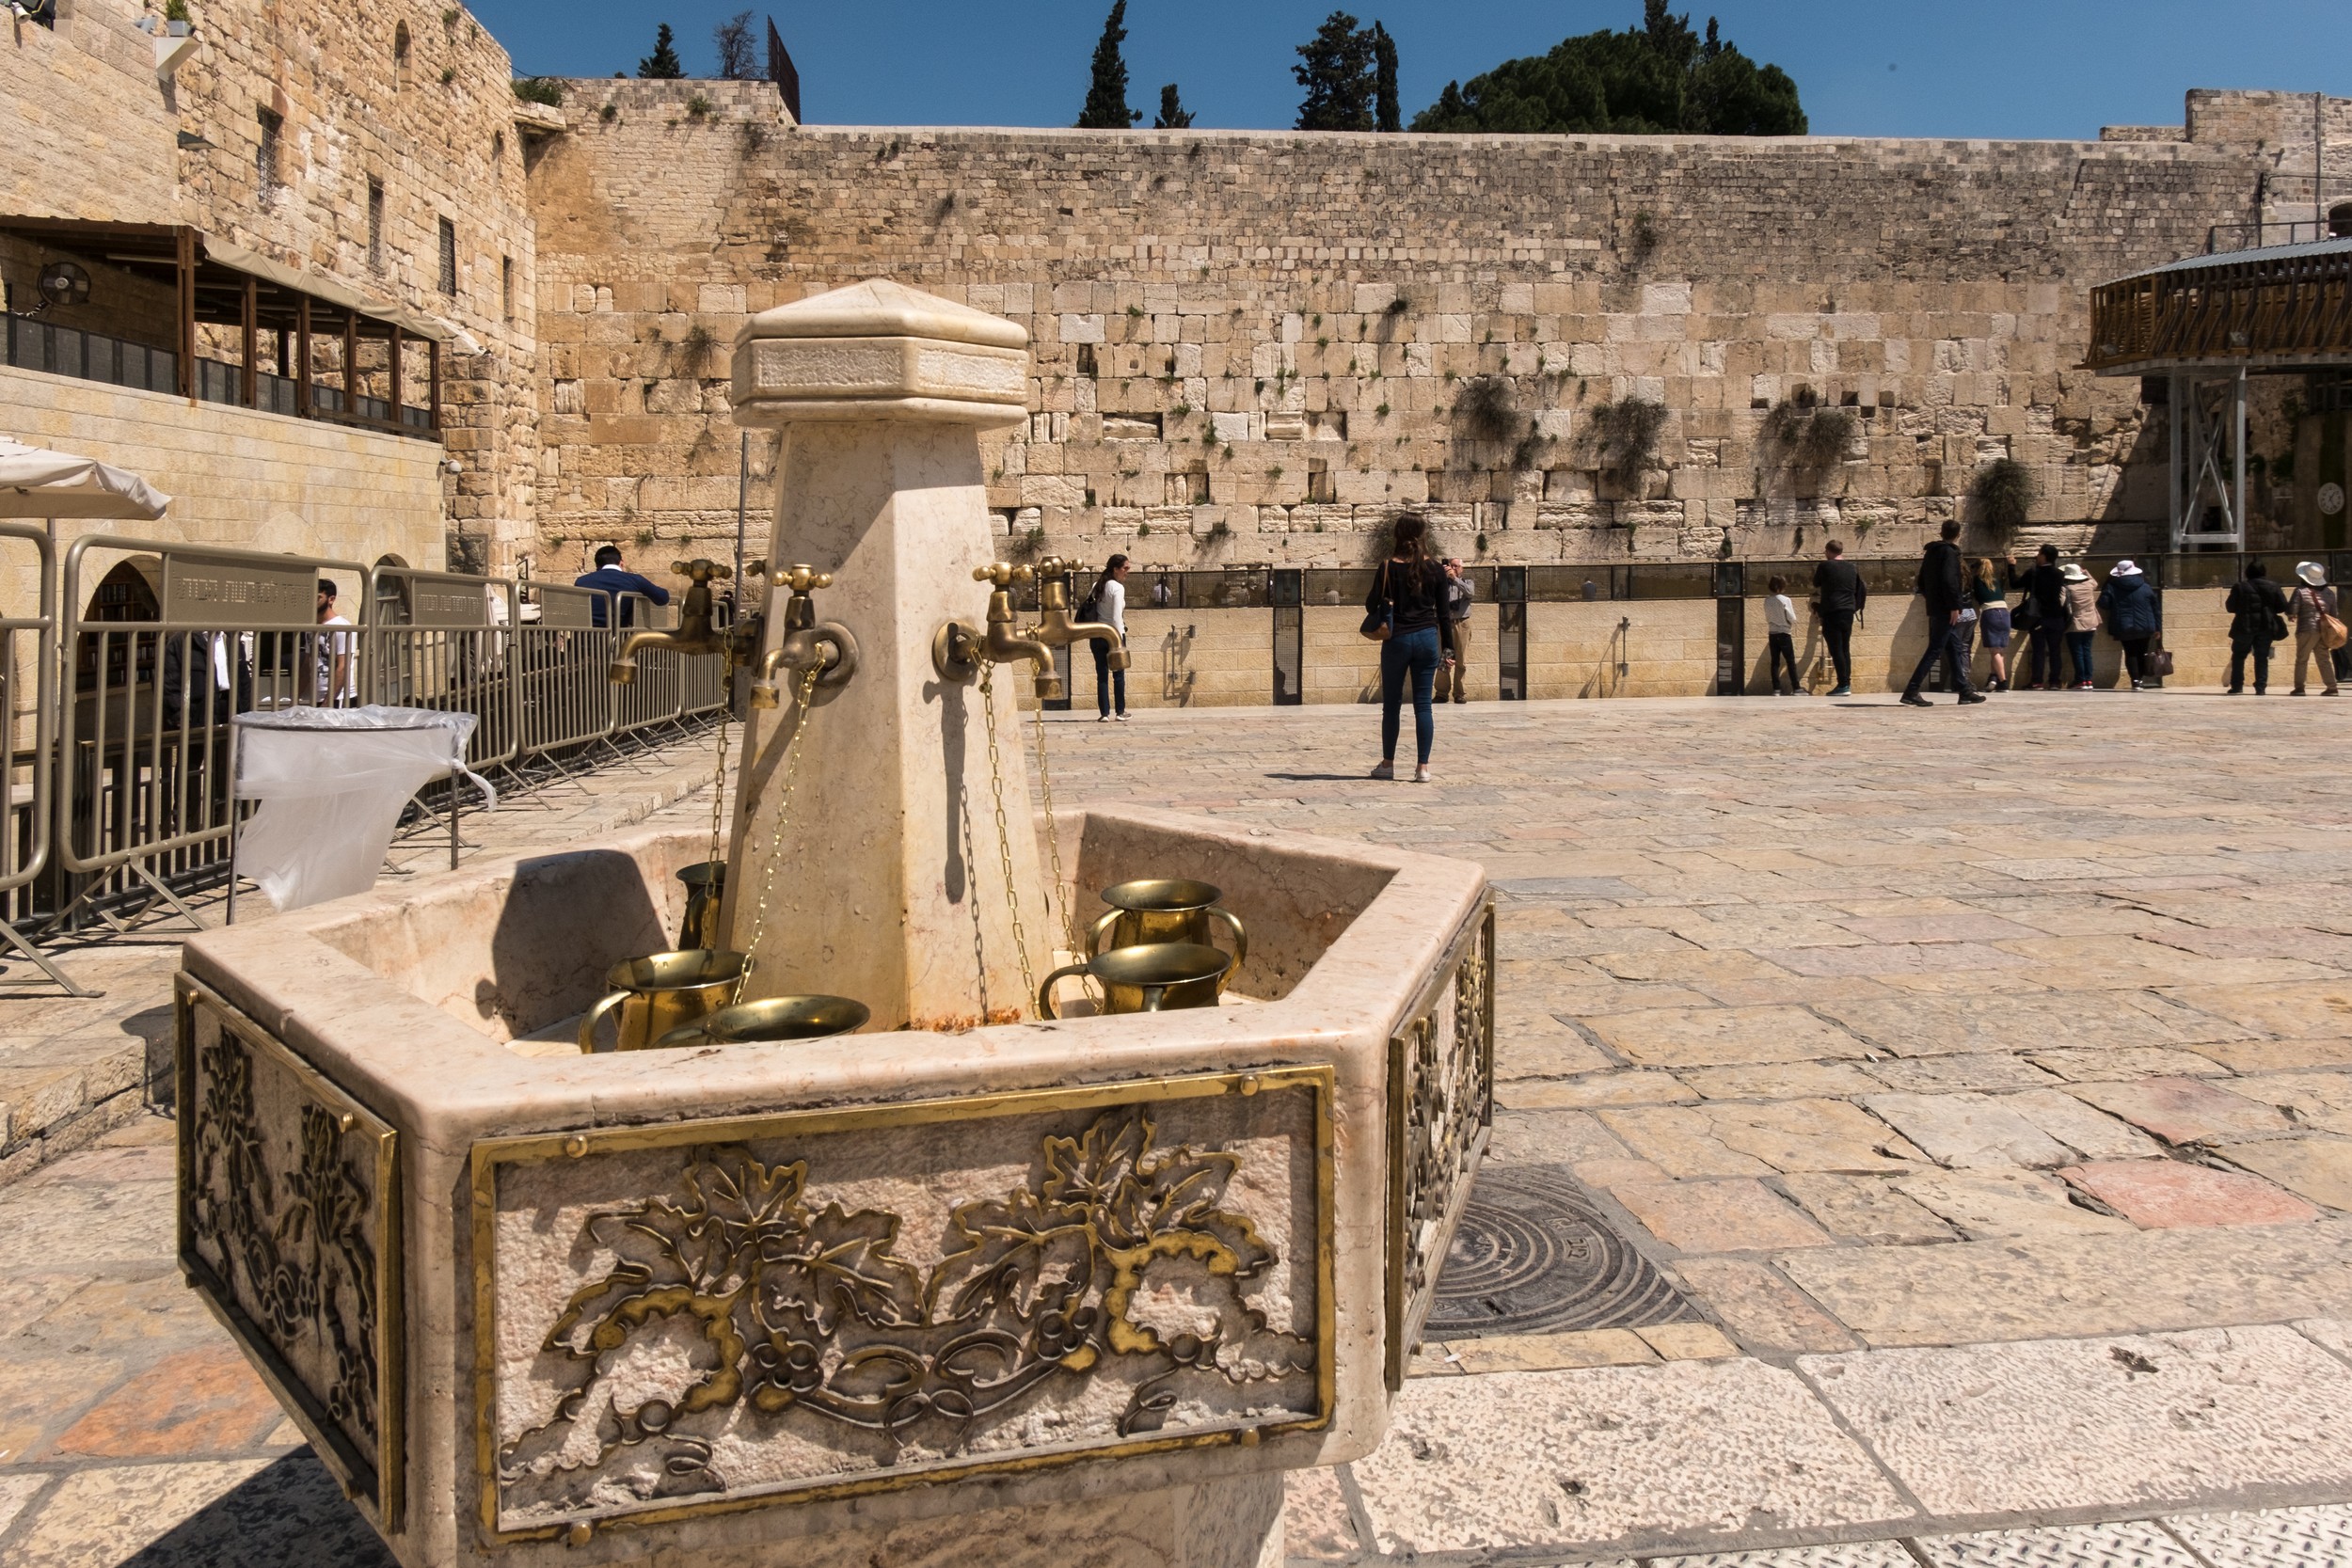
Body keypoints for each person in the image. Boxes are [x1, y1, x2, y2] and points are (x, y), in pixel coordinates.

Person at [1365, 513, 1448, 783]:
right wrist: (1449, 651)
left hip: (1397, 639)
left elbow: (1370, 604)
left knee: (1392, 705)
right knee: (1424, 706)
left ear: (1397, 535)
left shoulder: (1388, 566)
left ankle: (1388, 764)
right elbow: (1444, 614)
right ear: (1423, 534)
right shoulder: (1436, 568)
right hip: (1427, 638)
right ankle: (1422, 767)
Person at [1900, 519, 1984, 707]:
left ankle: (1964, 691)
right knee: (1936, 648)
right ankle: (1911, 690)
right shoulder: (1949, 553)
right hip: (1947, 608)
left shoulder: (1931, 552)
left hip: (1936, 606)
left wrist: (1933, 599)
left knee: (1953, 647)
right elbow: (1950, 581)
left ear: (1941, 532)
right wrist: (1954, 606)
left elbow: (1921, 581)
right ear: (1958, 534)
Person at [1810, 539, 1866, 697]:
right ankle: (1846, 682)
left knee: (1836, 649)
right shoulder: (1852, 567)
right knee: (1845, 648)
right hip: (1848, 611)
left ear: (1828, 551)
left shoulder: (1825, 565)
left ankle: (1843, 685)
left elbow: (1816, 583)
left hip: (1832, 611)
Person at [2009, 545, 2068, 689]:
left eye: (2039, 553)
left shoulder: (2034, 572)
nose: (2037, 555)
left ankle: (2037, 681)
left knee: (2038, 651)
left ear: (2044, 556)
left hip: (2039, 617)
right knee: (2055, 651)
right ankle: (2055, 681)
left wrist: (2011, 566)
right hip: (2057, 617)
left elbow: (2014, 584)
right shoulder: (2059, 574)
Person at [2226, 560, 2288, 695]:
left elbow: (2230, 607)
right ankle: (2260, 687)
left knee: (2238, 656)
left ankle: (2237, 686)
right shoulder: (2273, 586)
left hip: (2244, 626)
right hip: (2266, 626)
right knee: (2261, 657)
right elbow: (2282, 606)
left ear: (2247, 573)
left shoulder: (2240, 586)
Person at [573, 544, 672, 629]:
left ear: (597, 566)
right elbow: (663, 598)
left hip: (583, 644)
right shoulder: (634, 580)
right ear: (621, 563)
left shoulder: (581, 582)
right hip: (619, 644)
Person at [2097, 560, 2161, 689]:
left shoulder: (2112, 586)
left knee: (2130, 652)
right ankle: (2141, 680)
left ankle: (2135, 680)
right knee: (2142, 652)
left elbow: (2103, 604)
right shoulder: (2146, 586)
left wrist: (2106, 586)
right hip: (2146, 625)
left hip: (2124, 626)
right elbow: (2156, 609)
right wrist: (2158, 628)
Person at [1082, 552, 1131, 721]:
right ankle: (1120, 711)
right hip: (1114, 636)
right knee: (1118, 674)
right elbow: (1117, 616)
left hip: (1097, 635)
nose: (1127, 571)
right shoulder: (1117, 588)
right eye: (1125, 568)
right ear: (1115, 569)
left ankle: (1104, 713)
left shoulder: (1098, 584)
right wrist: (1120, 640)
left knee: (1101, 675)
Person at [2289, 561, 2341, 696]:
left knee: (2302, 659)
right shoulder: (2329, 593)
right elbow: (2334, 615)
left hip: (2306, 629)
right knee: (2323, 659)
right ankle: (2332, 687)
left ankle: (2299, 688)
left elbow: (2292, 610)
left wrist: (2291, 615)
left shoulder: (2300, 591)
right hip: (2324, 631)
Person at [1970, 556, 2012, 691]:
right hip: (2005, 613)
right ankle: (1993, 680)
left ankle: (2003, 682)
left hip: (1991, 613)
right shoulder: (1996, 581)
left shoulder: (1977, 580)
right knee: (1999, 650)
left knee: (1994, 651)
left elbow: (1976, 597)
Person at [313, 578, 356, 706]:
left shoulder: (342, 627)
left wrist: (327, 702)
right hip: (316, 696)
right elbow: (307, 664)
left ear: (331, 599)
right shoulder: (311, 628)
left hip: (340, 697)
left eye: (318, 597)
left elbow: (343, 666)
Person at [2060, 562, 2100, 689]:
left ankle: (2080, 680)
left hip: (2076, 623)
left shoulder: (2067, 588)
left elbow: (2061, 603)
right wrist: (2085, 572)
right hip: (2091, 622)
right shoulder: (2089, 585)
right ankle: (2088, 680)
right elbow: (2095, 583)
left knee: (2077, 652)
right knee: (2087, 652)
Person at [1440, 558, 1474, 704]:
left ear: (1461, 568)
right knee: (1444, 658)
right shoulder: (1442, 584)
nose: (1453, 568)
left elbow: (1470, 593)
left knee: (1461, 659)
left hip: (1462, 624)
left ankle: (1459, 693)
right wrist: (1443, 577)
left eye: (1456, 566)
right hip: (1446, 625)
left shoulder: (1467, 582)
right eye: (1450, 566)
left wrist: (1454, 579)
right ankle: (1441, 693)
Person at [1763, 574, 1801, 695]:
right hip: (1784, 632)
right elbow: (1792, 617)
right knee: (1790, 661)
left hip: (1772, 633)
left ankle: (1776, 689)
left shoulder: (1767, 600)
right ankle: (1796, 687)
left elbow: (1768, 617)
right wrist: (1788, 622)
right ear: (1781, 587)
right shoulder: (1785, 600)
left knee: (1775, 662)